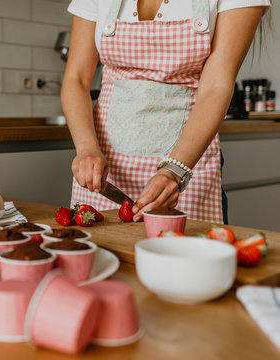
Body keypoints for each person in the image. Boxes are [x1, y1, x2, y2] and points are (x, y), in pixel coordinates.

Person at [61, 0, 270, 223]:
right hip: (104, 166)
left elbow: (216, 85)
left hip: (187, 161)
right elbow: (77, 79)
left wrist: (174, 171)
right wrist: (86, 149)